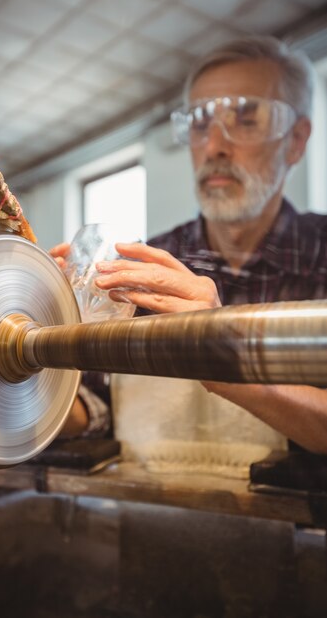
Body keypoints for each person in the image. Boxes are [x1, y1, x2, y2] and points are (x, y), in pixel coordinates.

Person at [53, 35, 327, 459]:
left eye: (246, 119)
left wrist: (228, 365)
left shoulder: (320, 257)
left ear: (295, 140)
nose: (214, 146)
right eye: (200, 123)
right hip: (146, 514)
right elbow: (94, 411)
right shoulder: (149, 267)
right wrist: (37, 363)